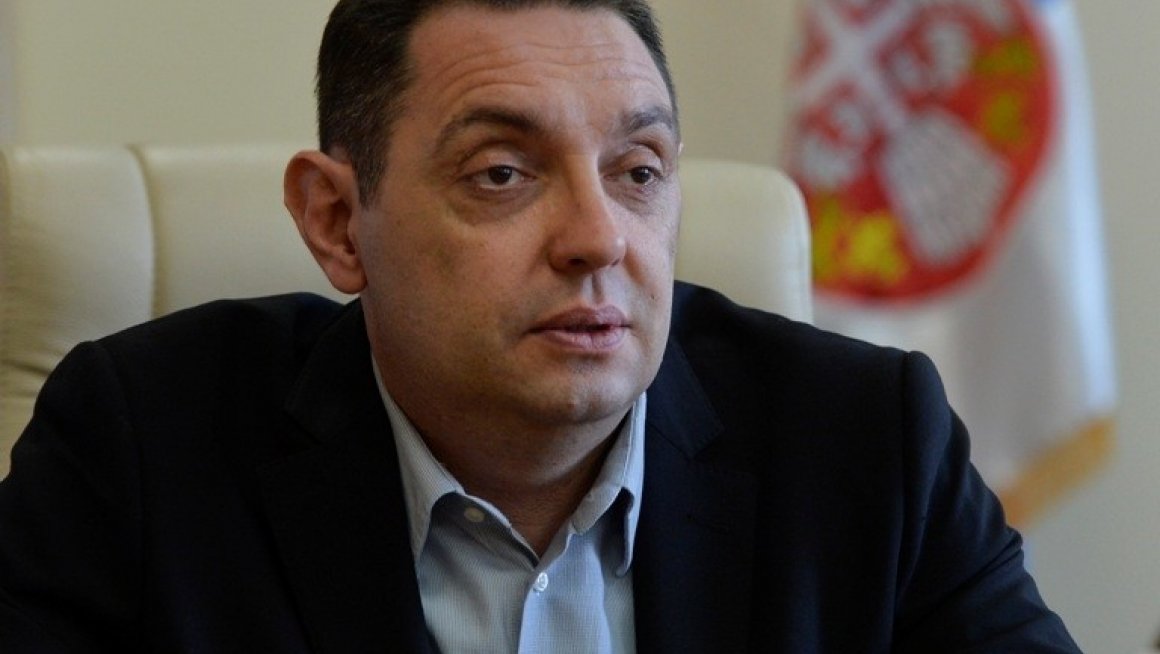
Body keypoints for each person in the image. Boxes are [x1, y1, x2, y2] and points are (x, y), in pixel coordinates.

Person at [0, 0, 1081, 652]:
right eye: (502, 174)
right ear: (336, 222)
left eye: (638, 172)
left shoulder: (869, 444)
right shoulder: (138, 450)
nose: (598, 238)